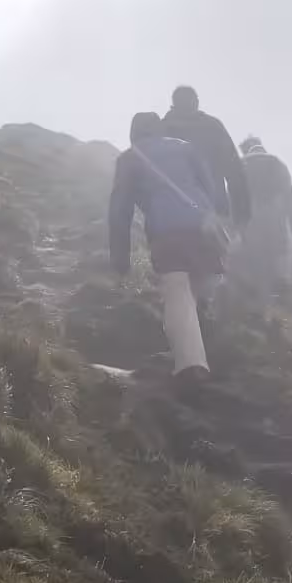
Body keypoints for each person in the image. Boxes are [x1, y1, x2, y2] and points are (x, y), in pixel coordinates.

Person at [108, 111, 229, 381]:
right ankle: (210, 345)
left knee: (177, 291)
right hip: (203, 228)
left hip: (167, 231)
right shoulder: (186, 148)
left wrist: (120, 259)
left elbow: (120, 211)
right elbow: (210, 187)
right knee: (200, 287)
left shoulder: (129, 158)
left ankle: (191, 365)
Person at [160, 86, 251, 233]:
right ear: (196, 102)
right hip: (212, 212)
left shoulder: (161, 129)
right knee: (211, 254)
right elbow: (235, 172)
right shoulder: (212, 126)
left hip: (169, 215)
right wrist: (242, 218)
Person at [235, 135, 292, 296]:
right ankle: (282, 282)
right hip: (275, 211)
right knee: (280, 247)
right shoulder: (276, 162)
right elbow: (288, 191)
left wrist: (236, 221)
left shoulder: (241, 164)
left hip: (251, 212)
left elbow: (235, 191)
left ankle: (253, 287)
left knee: (252, 250)